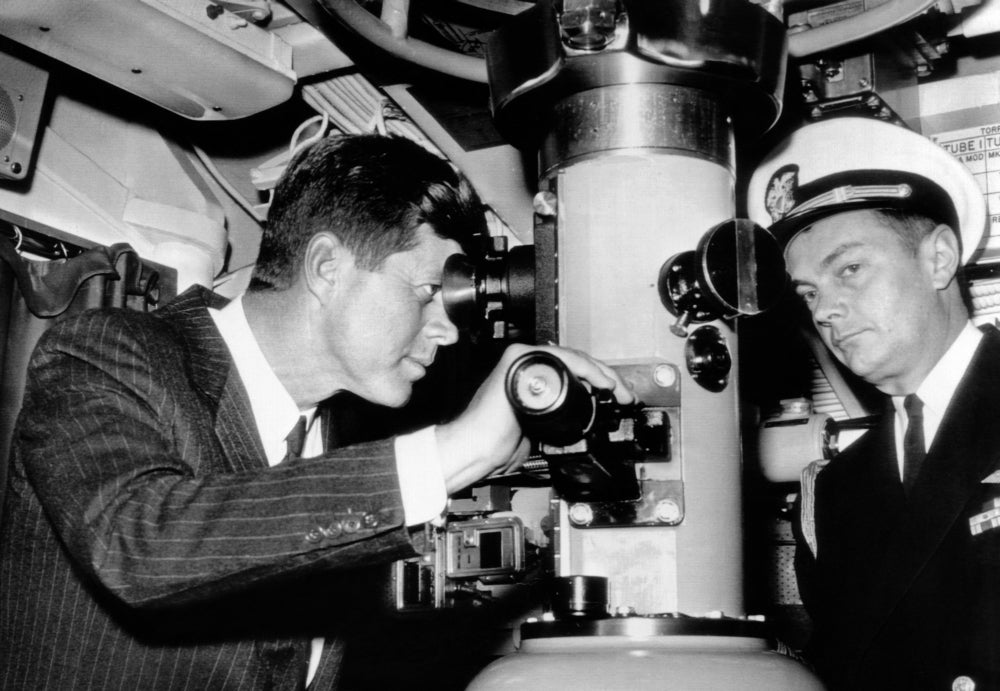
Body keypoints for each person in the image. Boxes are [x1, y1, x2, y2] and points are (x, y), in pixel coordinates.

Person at [0, 133, 634, 690]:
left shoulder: (337, 438)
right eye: (426, 294)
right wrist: (458, 449)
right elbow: (135, 545)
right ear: (328, 266)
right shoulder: (107, 353)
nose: (445, 332)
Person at [747, 116, 997, 691]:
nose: (825, 310)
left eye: (850, 270)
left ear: (938, 259)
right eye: (808, 293)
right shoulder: (833, 493)